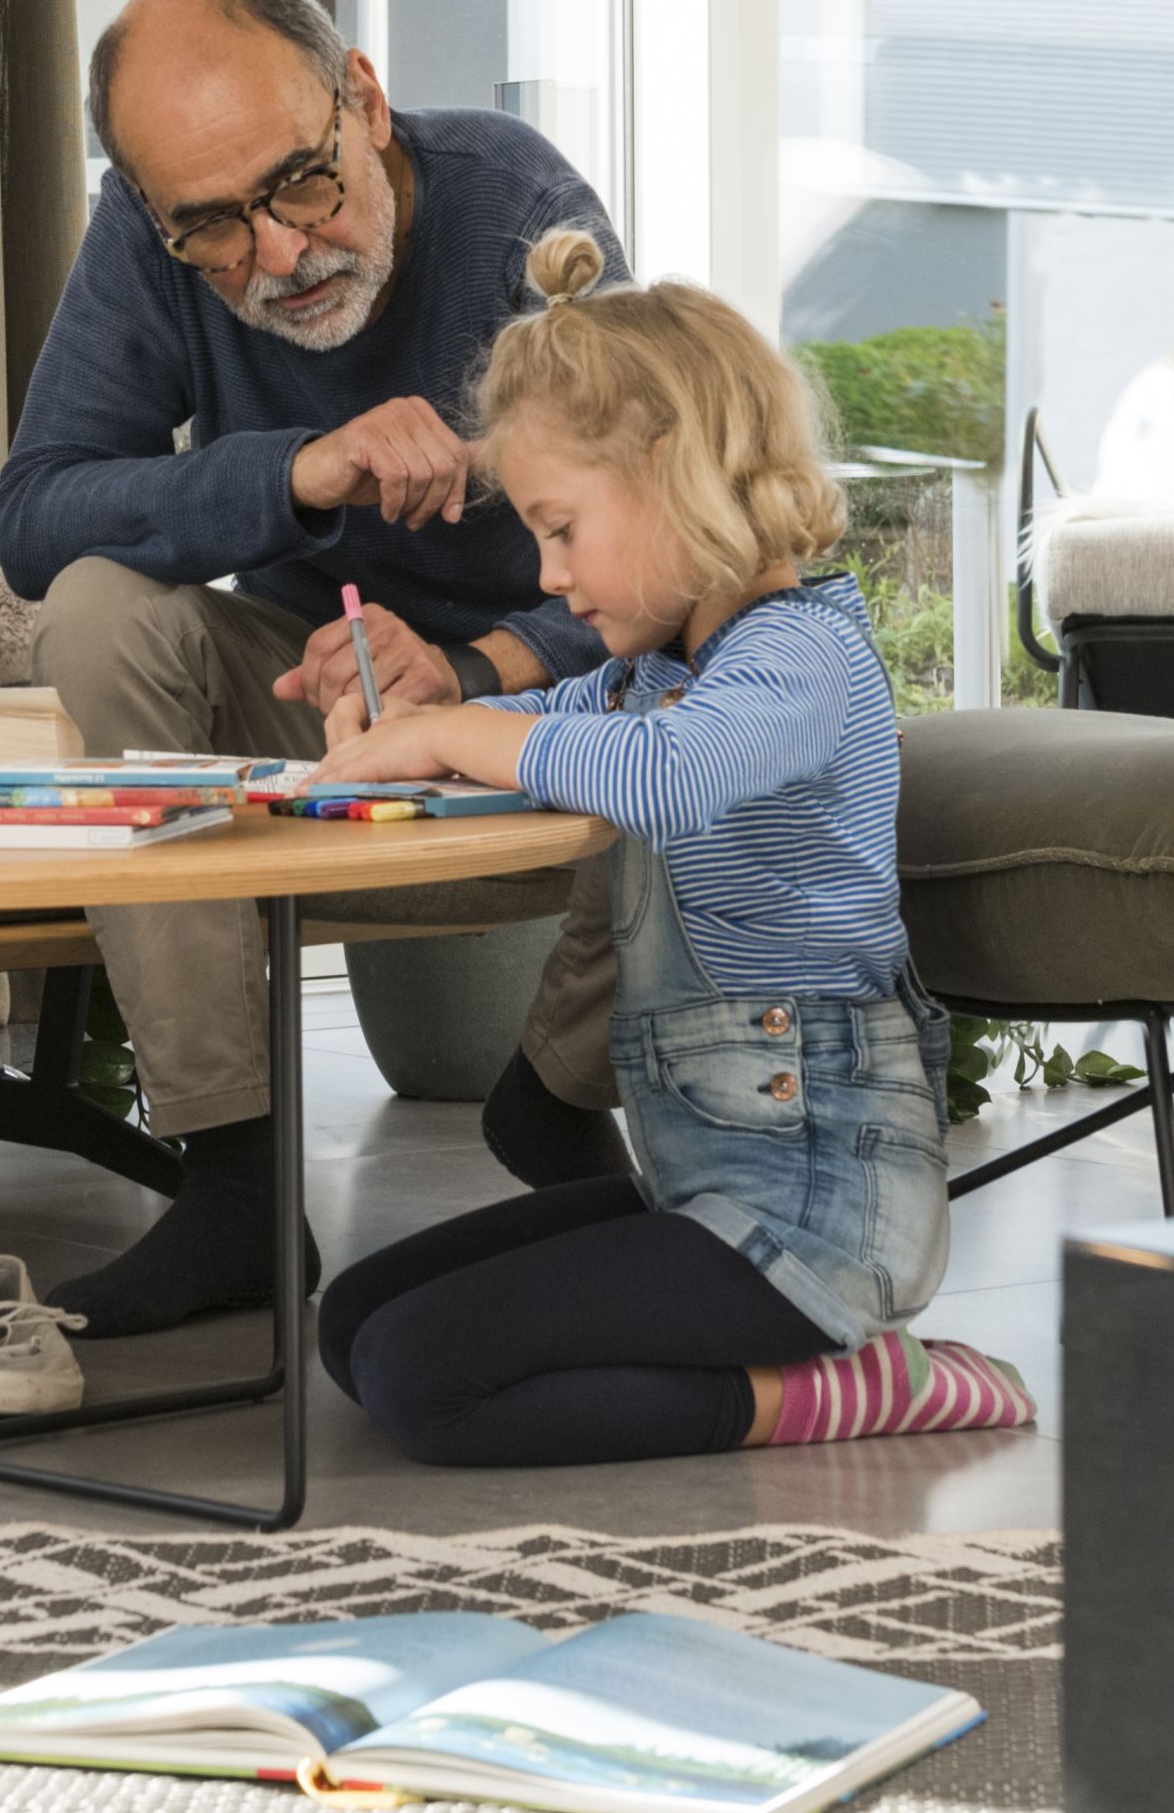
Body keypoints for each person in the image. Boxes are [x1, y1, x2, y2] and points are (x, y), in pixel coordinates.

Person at [292, 231, 1037, 1465]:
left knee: (423, 1380)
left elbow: (673, 777)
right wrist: (411, 735)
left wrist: (461, 730)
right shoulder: (653, 674)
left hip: (818, 1221)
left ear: (676, 476)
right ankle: (744, 1346)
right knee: (356, 1324)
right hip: (710, 1190)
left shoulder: (797, 657)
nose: (548, 576)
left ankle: (850, 1386)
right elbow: (542, 726)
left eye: (563, 529)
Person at [0, 0, 626, 1339]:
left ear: (364, 99)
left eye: (302, 185)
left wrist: (476, 668)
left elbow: (661, 552)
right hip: (319, 687)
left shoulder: (523, 215)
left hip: (544, 690)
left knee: (727, 670)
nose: (278, 253)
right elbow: (33, 514)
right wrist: (295, 471)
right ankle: (231, 1180)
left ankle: (563, 1092)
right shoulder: (151, 236)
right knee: (98, 607)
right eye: (214, 226)